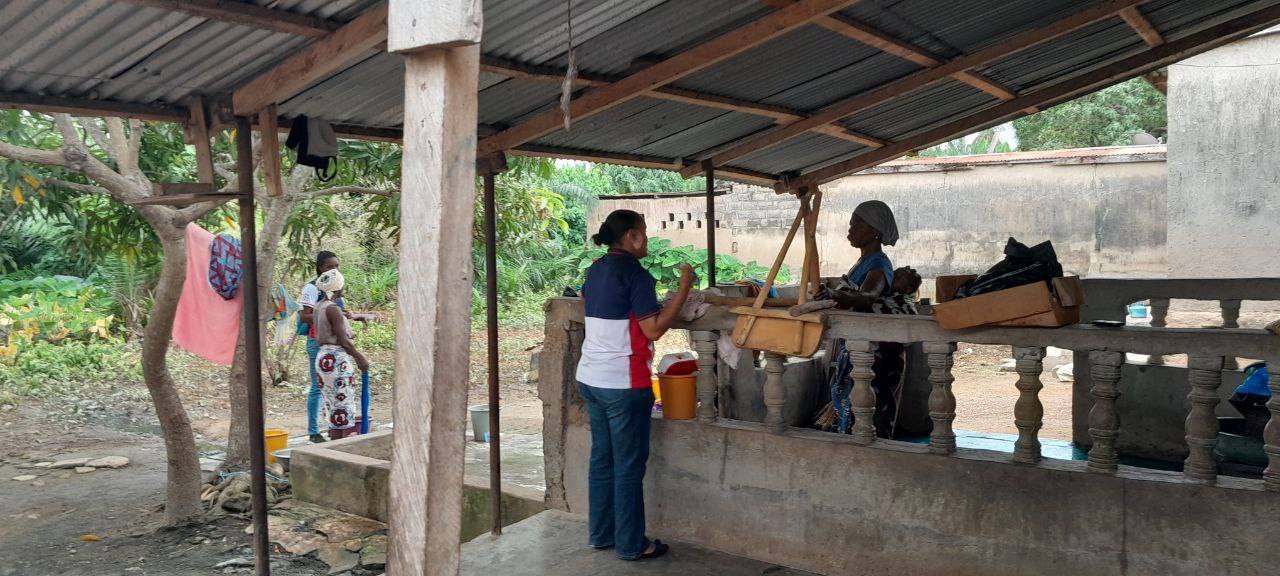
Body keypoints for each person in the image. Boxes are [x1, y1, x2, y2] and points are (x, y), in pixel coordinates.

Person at [576, 209, 695, 561]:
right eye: (643, 231)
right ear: (632, 236)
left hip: (590, 377)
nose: (646, 238)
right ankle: (631, 544)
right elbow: (653, 330)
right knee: (628, 466)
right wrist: (684, 289)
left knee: (602, 459)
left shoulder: (595, 269)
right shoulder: (636, 275)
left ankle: (601, 534)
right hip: (623, 383)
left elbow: (587, 300)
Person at [312, 270, 370, 438]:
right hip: (336, 359)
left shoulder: (319, 306)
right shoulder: (333, 309)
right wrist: (360, 357)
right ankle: (341, 445)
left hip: (323, 358)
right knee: (343, 406)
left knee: (333, 406)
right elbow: (343, 341)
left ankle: (334, 442)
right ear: (338, 287)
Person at [299, 251, 342, 443]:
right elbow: (304, 316)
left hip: (335, 343)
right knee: (318, 387)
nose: (334, 270)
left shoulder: (336, 288)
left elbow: (336, 313)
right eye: (329, 267)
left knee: (336, 385)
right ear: (320, 268)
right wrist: (328, 314)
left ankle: (335, 428)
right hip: (316, 342)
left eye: (336, 266)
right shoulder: (312, 288)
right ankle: (314, 432)